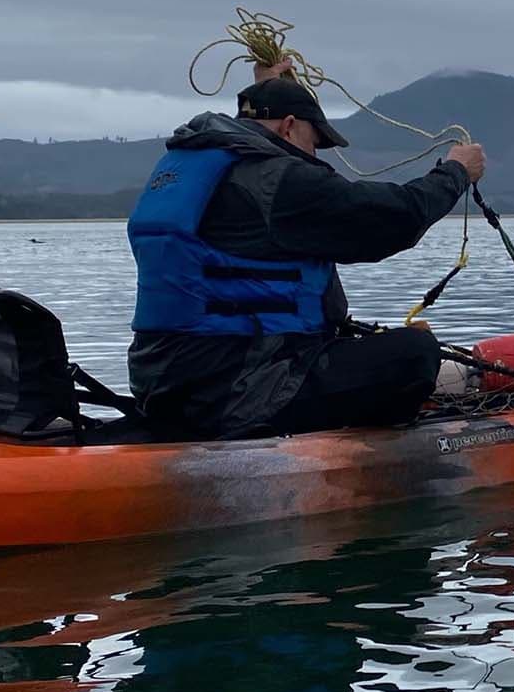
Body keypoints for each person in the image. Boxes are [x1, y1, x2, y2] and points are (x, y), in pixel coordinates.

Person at [127, 73, 488, 439]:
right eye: (314, 142)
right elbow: (394, 219)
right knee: (416, 352)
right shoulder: (277, 180)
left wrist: (271, 84)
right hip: (236, 392)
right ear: (288, 127)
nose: (314, 156)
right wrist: (456, 172)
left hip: (162, 387)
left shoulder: (183, 170)